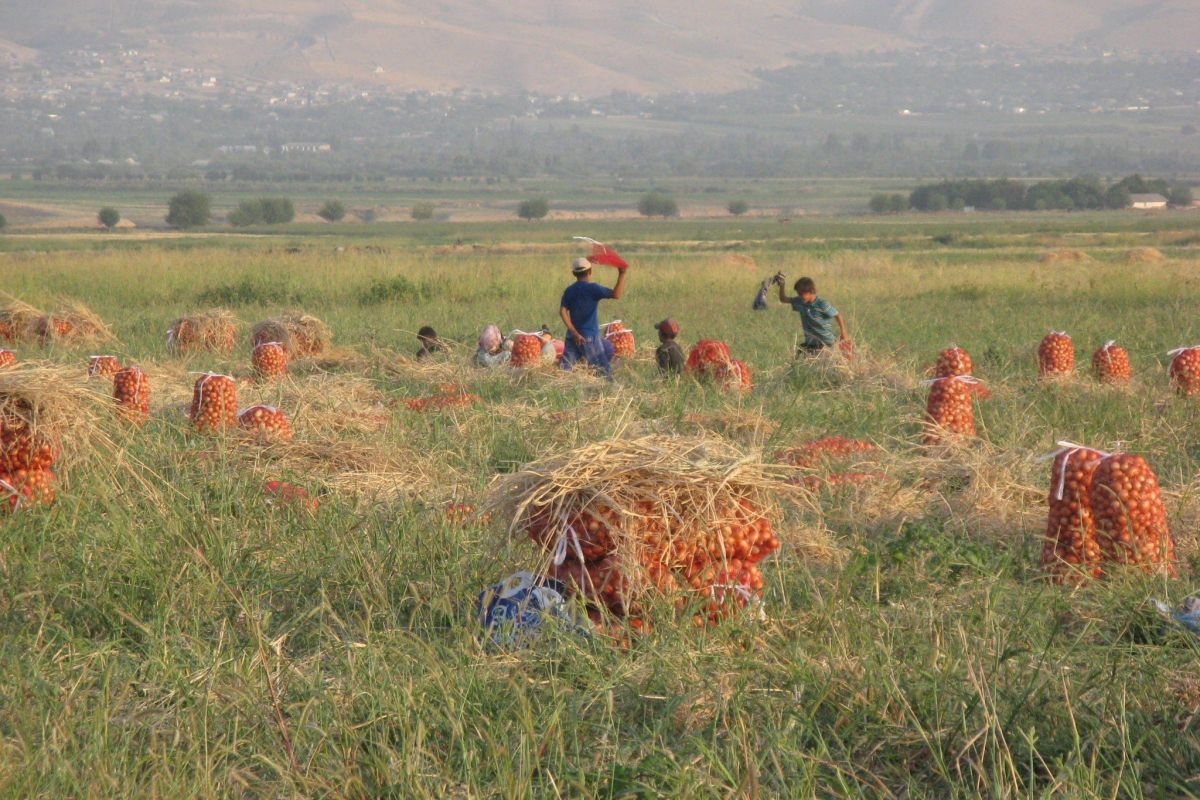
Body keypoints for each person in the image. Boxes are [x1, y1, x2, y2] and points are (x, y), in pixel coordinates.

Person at [559, 256, 627, 377]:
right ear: (590, 272)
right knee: (604, 373)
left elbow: (562, 311)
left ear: (574, 273)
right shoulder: (593, 288)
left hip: (572, 337)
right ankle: (610, 390)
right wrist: (622, 274)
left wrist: (573, 332)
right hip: (589, 337)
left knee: (564, 372)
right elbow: (616, 294)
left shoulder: (569, 290)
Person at [777, 275, 848, 354]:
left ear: (811, 291)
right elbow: (783, 299)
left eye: (801, 294)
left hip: (826, 344)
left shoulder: (822, 304)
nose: (799, 296)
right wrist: (782, 285)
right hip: (811, 344)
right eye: (798, 294)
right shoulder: (800, 302)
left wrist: (843, 333)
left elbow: (838, 315)